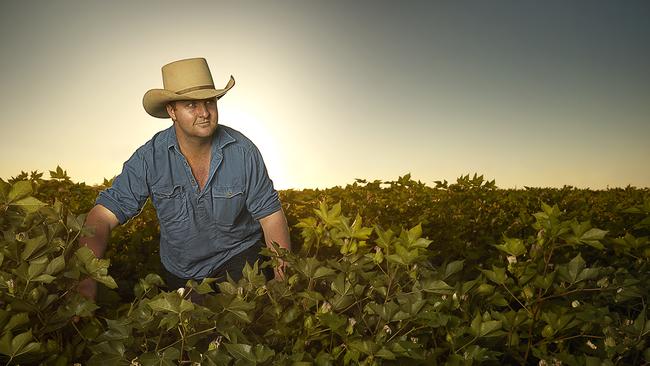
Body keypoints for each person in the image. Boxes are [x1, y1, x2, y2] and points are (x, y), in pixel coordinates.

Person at [78, 58, 291, 300]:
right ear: (172, 111)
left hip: (239, 258)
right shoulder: (149, 158)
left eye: (209, 102)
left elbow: (271, 216)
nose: (204, 113)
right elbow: (102, 216)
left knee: (239, 326)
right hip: (182, 272)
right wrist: (85, 280)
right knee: (190, 334)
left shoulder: (243, 152)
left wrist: (282, 279)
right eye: (191, 105)